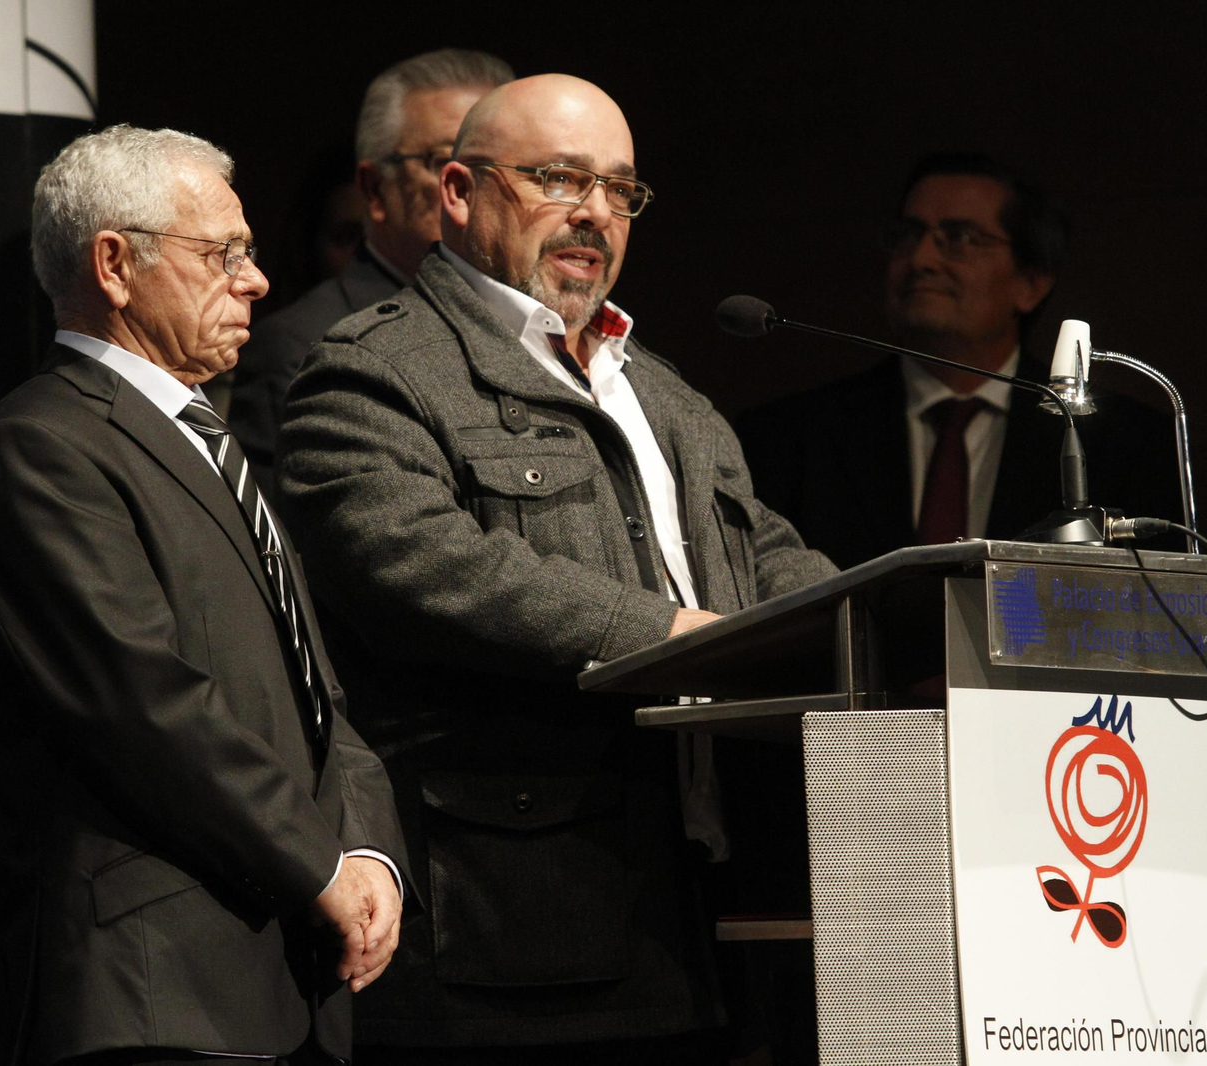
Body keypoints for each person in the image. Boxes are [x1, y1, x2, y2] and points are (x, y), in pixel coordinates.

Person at [277, 75, 836, 1063]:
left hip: (693, 914)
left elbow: (766, 562)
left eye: (619, 189)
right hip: (513, 934)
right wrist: (667, 639)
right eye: (556, 178)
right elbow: (426, 568)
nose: (593, 212)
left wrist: (916, 613)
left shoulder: (662, 391)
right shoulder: (374, 369)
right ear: (456, 190)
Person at [0, 125, 407, 1066]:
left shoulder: (213, 442)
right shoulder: (43, 446)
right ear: (114, 264)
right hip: (157, 992)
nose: (257, 280)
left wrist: (368, 852)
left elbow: (318, 695)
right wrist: (318, 863)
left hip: (290, 978)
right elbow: (146, 706)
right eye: (224, 253)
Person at [737, 152, 1181, 569]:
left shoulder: (1128, 444)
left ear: (1031, 281)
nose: (921, 259)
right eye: (908, 235)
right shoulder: (786, 440)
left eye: (960, 239)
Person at [227, 48, 514, 498]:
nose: (476, 187)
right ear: (374, 189)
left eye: (501, 163)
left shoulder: (547, 331)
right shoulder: (304, 346)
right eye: (445, 163)